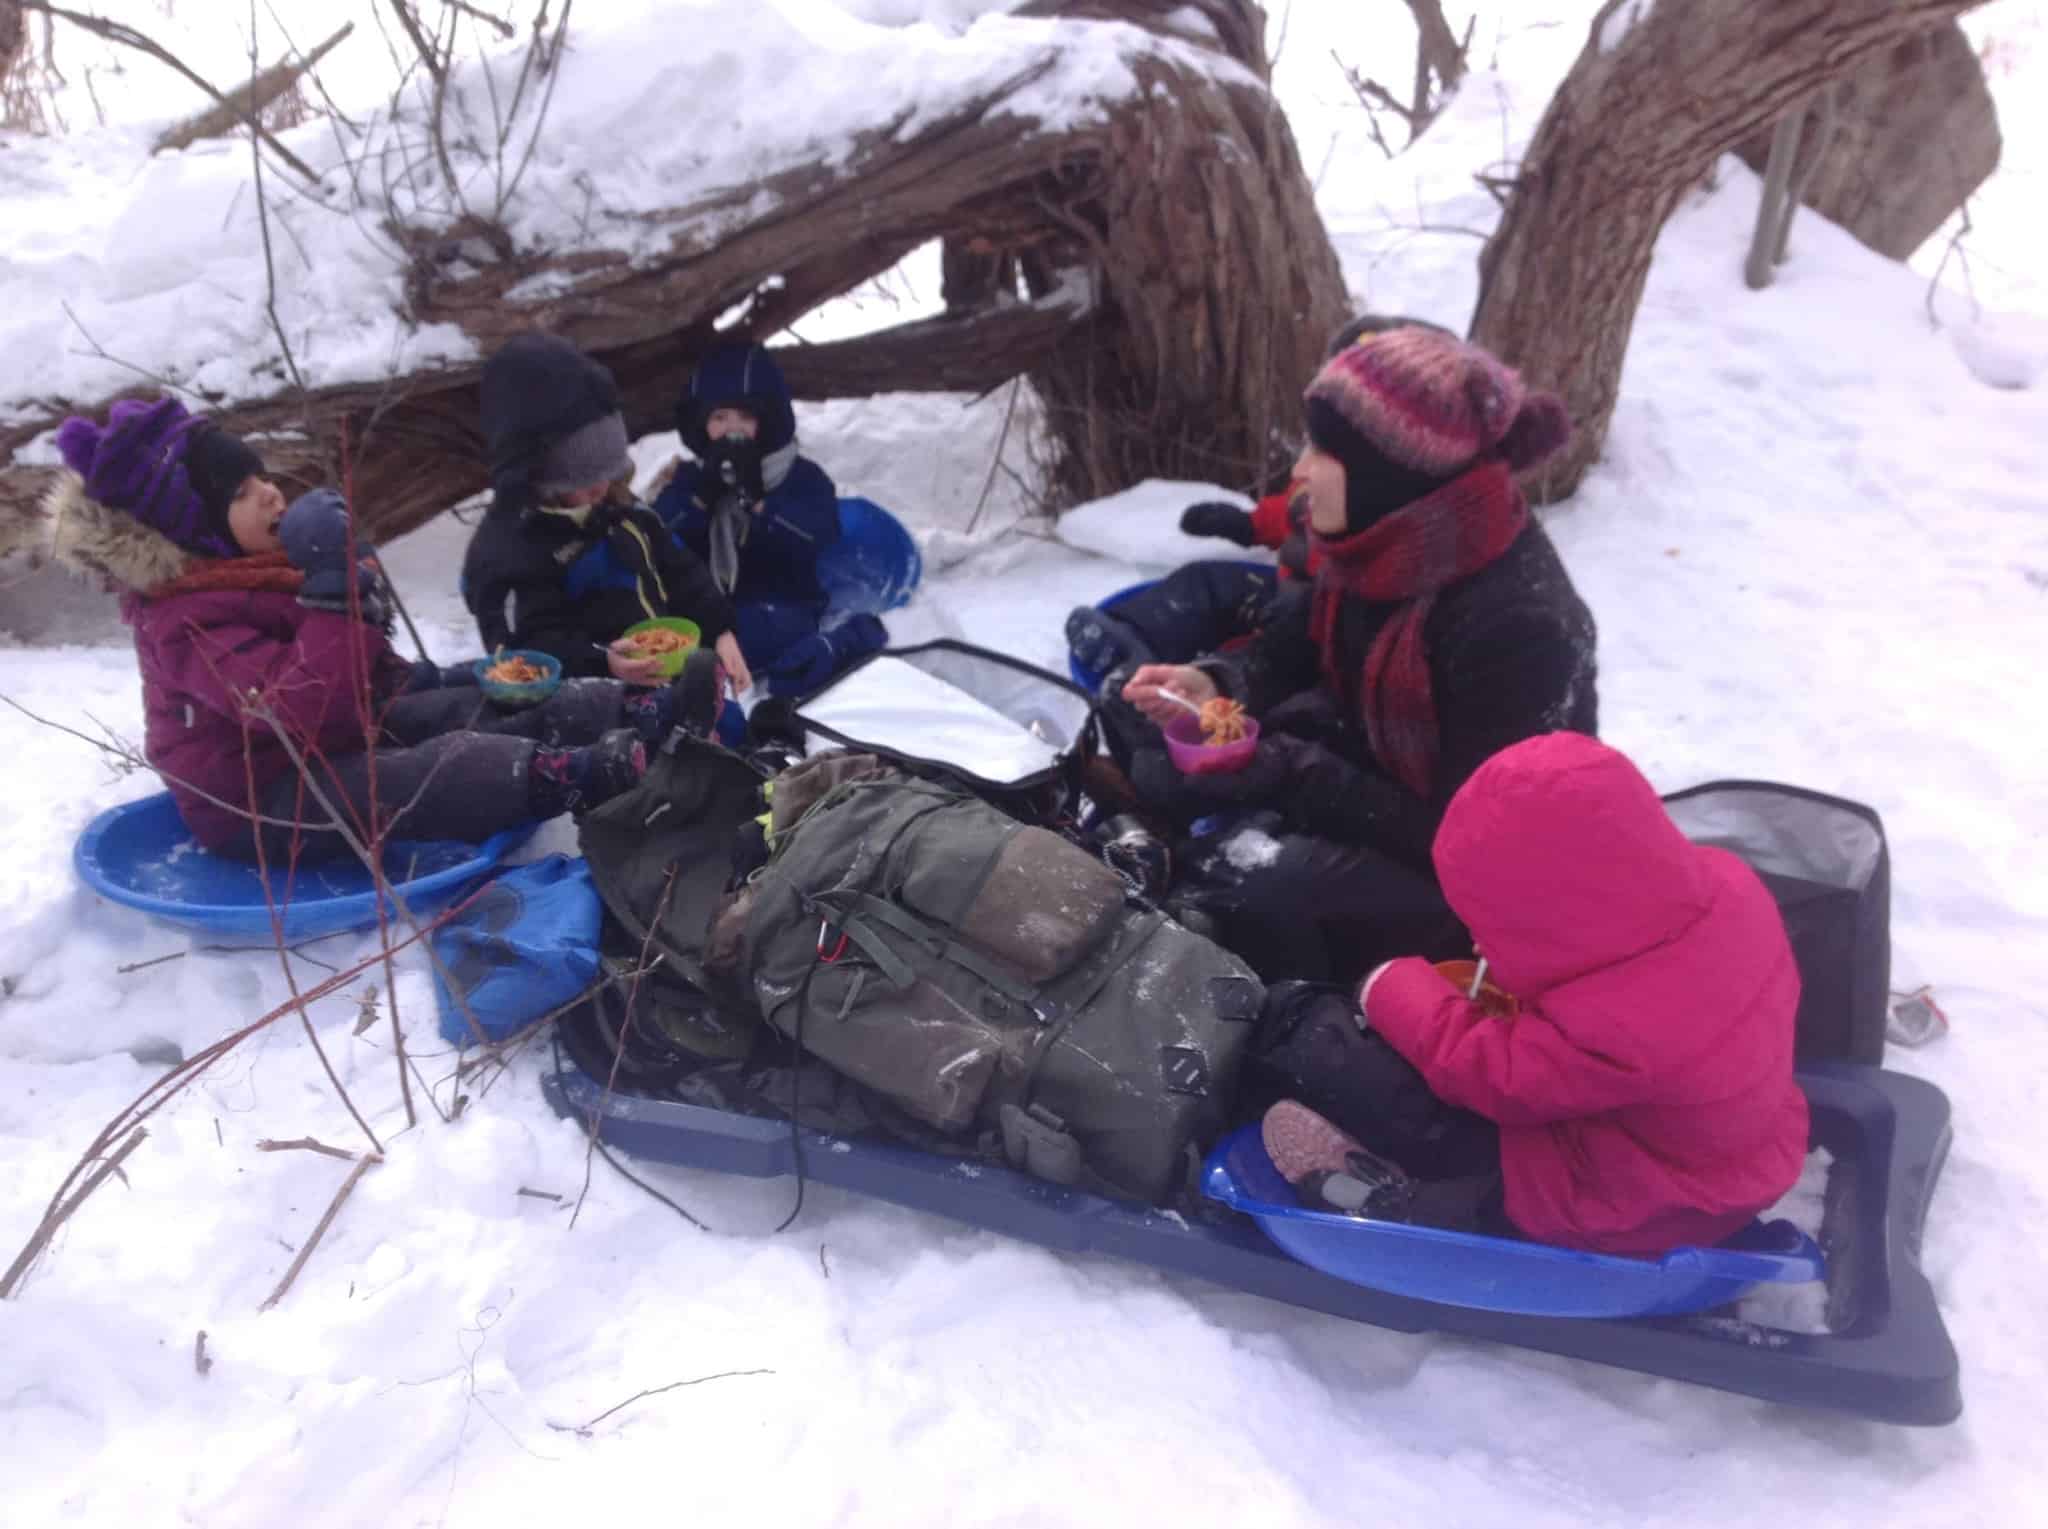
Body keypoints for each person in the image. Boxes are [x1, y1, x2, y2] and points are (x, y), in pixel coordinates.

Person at [1119, 324, 1598, 984]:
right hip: (1368, 773)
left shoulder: (1522, 629)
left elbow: (1478, 845)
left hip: (1476, 895)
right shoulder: (1384, 541)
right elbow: (1299, 641)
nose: (1300, 471)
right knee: (1145, 747)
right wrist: (1217, 681)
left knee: (1254, 886)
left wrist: (1288, 769)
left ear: (1384, 473)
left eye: (1323, 450)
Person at [47, 397, 721, 862]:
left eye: (261, 477)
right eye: (239, 494)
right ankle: (582, 771)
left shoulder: (254, 568)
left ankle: (637, 710)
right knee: (428, 767)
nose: (271, 494)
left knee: (467, 700)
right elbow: (297, 713)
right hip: (265, 799)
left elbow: (364, 682)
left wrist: (435, 665)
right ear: (188, 528)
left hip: (342, 725)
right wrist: (336, 594)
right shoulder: (183, 623)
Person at [1258, 732, 1810, 1257]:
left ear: (1560, 913)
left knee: (1349, 1062)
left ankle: (1416, 1207)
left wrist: (1390, 986)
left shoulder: (1614, 1028)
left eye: (1494, 923)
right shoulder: (1728, 889)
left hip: (1641, 1204)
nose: (1477, 940)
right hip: (1731, 1154)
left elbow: (1489, 1075)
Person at [1066, 314, 1455, 685]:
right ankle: (1127, 642)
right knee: (1206, 584)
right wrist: (1247, 524)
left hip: (1328, 632)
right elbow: (1292, 510)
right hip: (1283, 595)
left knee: (1274, 656)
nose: (1303, 467)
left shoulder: (1412, 535)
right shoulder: (1324, 481)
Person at [461, 333, 753, 698]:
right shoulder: (512, 552)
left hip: (665, 685)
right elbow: (527, 651)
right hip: (592, 718)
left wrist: (719, 628)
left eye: (608, 473)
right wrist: (603, 662)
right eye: (583, 480)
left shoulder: (621, 508)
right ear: (538, 475)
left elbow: (679, 569)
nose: (601, 489)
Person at [651, 340, 885, 695]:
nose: (733, 429)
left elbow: (818, 533)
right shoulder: (690, 477)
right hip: (707, 605)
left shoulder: (800, 475)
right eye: (720, 418)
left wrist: (758, 502)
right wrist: (703, 497)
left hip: (779, 605)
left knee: (749, 642)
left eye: (745, 418)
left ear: (767, 421)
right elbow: (657, 538)